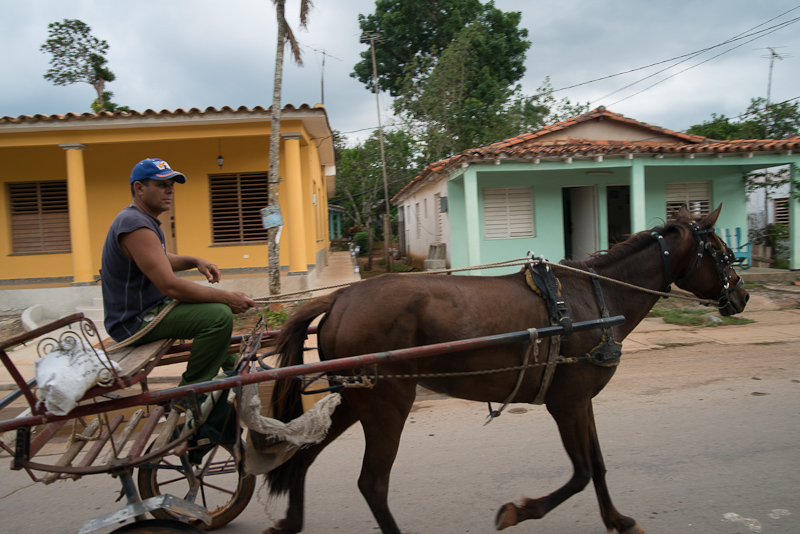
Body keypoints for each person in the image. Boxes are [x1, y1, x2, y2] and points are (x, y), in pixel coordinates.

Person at [101, 158, 255, 387]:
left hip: (150, 310)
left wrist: (195, 261)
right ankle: (191, 391)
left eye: (172, 184)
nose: (170, 190)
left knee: (213, 313)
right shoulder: (135, 225)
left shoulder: (141, 220)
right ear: (139, 188)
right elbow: (169, 286)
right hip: (135, 322)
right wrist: (227, 297)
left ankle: (235, 373)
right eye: (162, 184)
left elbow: (159, 260)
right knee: (218, 316)